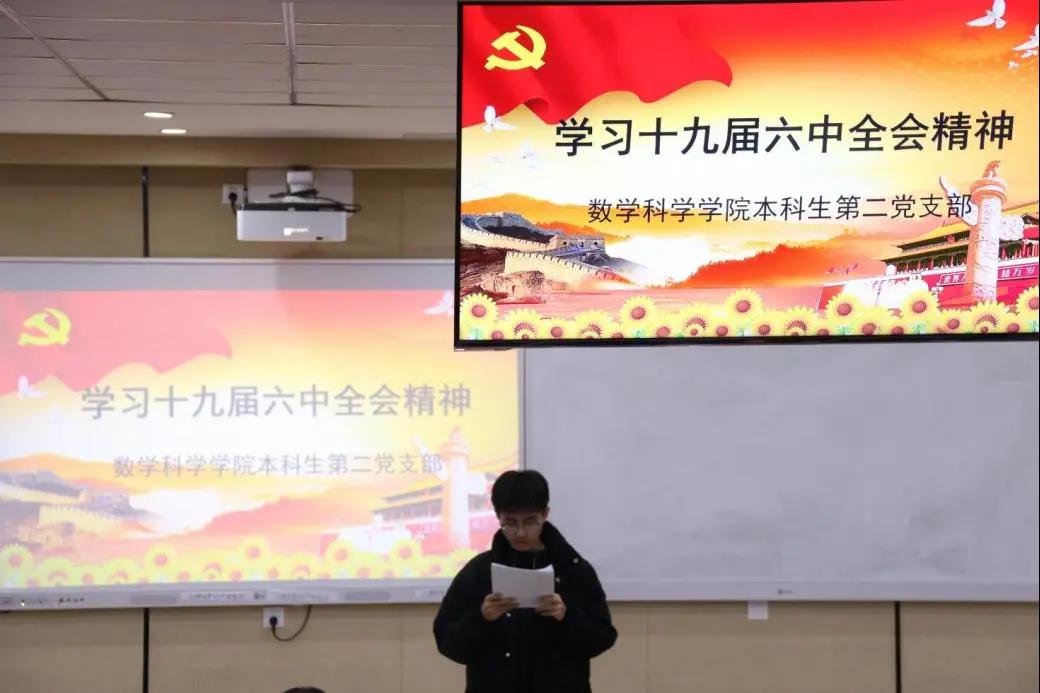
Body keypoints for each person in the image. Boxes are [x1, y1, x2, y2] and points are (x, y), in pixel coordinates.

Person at [433, 470, 617, 693]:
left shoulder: (573, 569)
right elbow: (447, 642)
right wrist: (481, 618)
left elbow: (603, 637)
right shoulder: (479, 571)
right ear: (497, 516)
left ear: (545, 514)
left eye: (530, 522)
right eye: (510, 523)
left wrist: (566, 616)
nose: (520, 532)